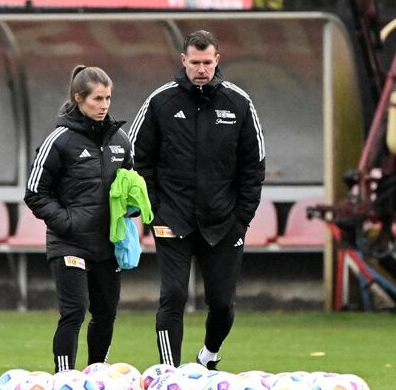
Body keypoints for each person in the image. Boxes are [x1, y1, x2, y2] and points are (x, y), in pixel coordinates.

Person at [128, 30, 266, 369]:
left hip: (223, 222)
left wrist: (241, 219)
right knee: (173, 296)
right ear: (183, 61)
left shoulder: (238, 103)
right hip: (171, 219)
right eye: (195, 62)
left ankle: (208, 356)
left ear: (217, 60)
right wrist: (154, 210)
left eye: (207, 62)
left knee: (221, 303)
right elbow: (135, 160)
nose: (201, 69)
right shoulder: (160, 101)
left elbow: (255, 165)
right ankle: (168, 373)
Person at [24, 65, 132, 372]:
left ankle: (96, 377)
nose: (104, 105)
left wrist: (133, 206)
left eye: (108, 98)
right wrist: (68, 223)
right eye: (97, 99)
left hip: (106, 244)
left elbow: (131, 182)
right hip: (69, 243)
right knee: (73, 312)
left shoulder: (120, 140)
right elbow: (35, 193)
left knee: (106, 313)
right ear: (79, 98)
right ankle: (64, 380)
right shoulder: (59, 140)